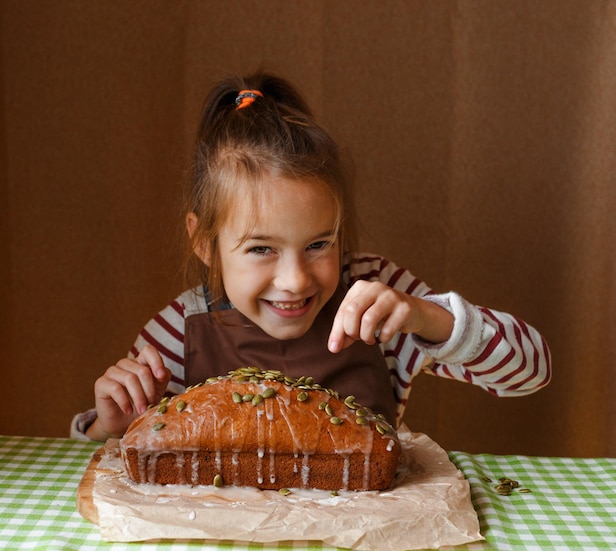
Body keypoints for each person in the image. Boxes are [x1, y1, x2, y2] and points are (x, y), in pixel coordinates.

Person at [71, 71, 551, 442]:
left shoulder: (379, 300)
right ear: (204, 242)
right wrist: (107, 428)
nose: (296, 280)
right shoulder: (178, 331)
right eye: (261, 249)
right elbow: (112, 468)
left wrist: (428, 317)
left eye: (319, 244)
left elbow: (531, 374)